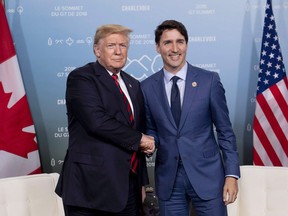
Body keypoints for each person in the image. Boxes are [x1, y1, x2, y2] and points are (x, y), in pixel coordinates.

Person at [141, 20, 240, 216]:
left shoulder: (209, 81)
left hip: (208, 177)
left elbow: (225, 131)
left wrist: (231, 174)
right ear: (157, 47)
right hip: (169, 180)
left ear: (187, 44)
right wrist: (150, 142)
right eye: (167, 42)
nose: (175, 48)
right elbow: (152, 129)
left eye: (180, 41)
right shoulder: (146, 87)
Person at [55, 24, 155, 216]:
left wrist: (141, 184)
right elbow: (97, 121)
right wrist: (141, 139)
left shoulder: (133, 84)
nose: (118, 51)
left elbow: (136, 130)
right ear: (97, 50)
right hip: (90, 190)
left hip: (128, 190)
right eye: (111, 45)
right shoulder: (82, 78)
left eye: (123, 45)